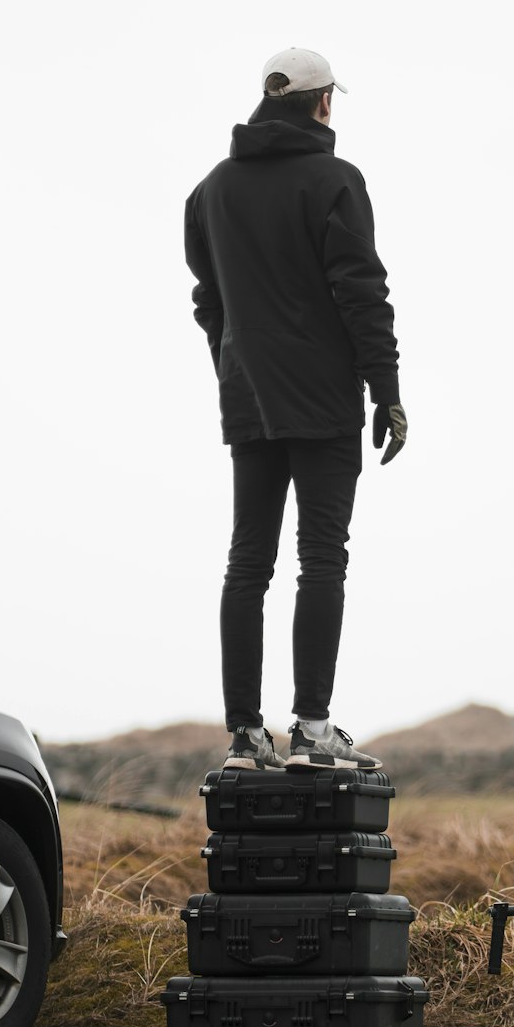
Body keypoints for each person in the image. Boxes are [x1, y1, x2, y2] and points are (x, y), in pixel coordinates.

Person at [184, 47, 406, 773]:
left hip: (248, 394)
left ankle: (246, 737)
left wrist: (236, 361)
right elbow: (360, 289)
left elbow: (207, 300)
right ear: (323, 103)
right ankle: (312, 729)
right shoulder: (336, 181)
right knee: (321, 559)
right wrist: (387, 389)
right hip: (321, 397)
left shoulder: (211, 190)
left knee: (248, 562)